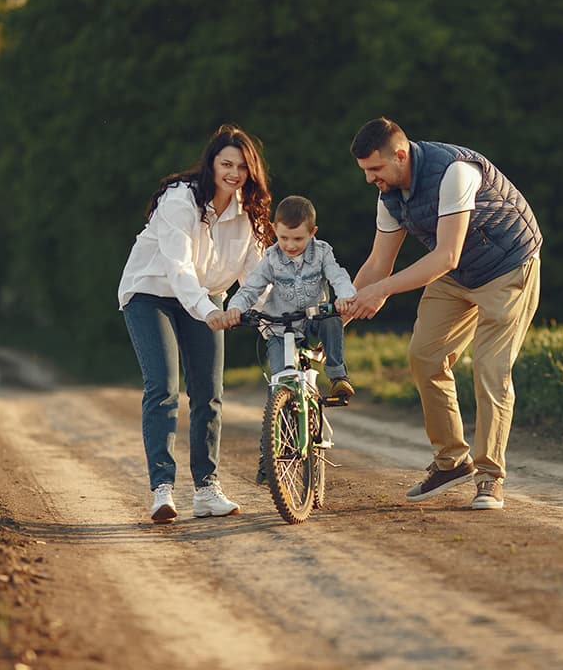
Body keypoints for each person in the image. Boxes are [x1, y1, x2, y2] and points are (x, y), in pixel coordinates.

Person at [345, 117, 542, 510]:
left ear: (400, 155)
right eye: (365, 171)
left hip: (508, 267)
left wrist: (383, 291)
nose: (370, 179)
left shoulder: (454, 171)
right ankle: (452, 462)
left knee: (490, 369)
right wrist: (339, 318)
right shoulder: (390, 197)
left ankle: (490, 478)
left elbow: (445, 254)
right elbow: (377, 265)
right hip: (457, 274)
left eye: (375, 169)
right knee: (424, 356)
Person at [118, 124, 275, 524]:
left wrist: (275, 321)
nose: (233, 173)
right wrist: (208, 312)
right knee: (165, 387)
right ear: (211, 164)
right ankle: (162, 490)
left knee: (209, 393)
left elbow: (255, 277)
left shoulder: (248, 213)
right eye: (226, 163)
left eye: (242, 167)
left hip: (208, 300)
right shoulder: (180, 201)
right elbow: (179, 269)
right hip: (152, 293)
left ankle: (206, 490)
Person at [224, 194, 357, 397]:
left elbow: (337, 276)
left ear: (313, 233)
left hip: (314, 319)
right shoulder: (270, 259)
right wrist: (235, 308)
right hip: (280, 326)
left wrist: (345, 297)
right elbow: (251, 288)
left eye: (298, 239)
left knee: (332, 319)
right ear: (274, 229)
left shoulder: (322, 253)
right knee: (280, 380)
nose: (290, 245)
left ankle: (337, 376)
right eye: (284, 238)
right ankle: (278, 420)